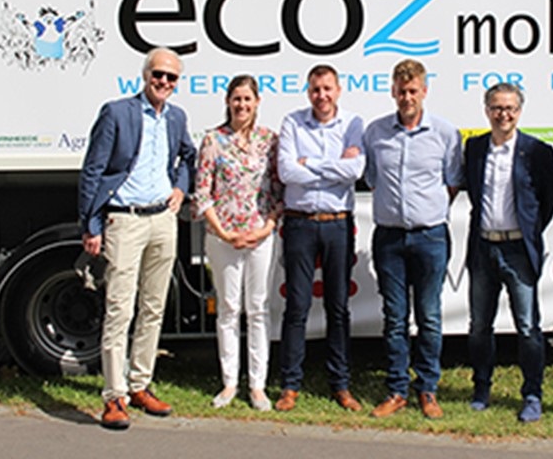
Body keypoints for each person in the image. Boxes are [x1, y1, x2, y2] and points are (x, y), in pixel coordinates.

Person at [79, 47, 196, 431]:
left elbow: (188, 157)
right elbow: (93, 170)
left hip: (162, 220)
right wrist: (91, 225)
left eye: (171, 77)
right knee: (119, 309)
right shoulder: (117, 113)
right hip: (124, 220)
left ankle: (140, 384)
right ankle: (114, 397)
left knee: (154, 307)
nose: (163, 81)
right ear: (145, 75)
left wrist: (180, 189)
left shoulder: (176, 117)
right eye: (158, 74)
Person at [363, 59, 463, 420]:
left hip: (430, 237)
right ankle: (396, 390)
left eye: (413, 91)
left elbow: (453, 181)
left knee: (429, 316)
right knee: (394, 317)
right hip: (389, 238)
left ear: (424, 91)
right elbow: (372, 178)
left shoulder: (445, 133)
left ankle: (428, 389)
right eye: (401, 91)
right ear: (393, 91)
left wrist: (426, 209)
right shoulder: (375, 133)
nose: (407, 97)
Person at [462, 83, 553, 423]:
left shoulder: (537, 151)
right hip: (483, 247)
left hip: (519, 249)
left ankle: (532, 394)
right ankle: (481, 389)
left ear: (519, 111)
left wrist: (529, 232)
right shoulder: (474, 148)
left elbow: (548, 201)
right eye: (497, 108)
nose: (503, 114)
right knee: (479, 326)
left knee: (528, 327)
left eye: (510, 108)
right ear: (487, 110)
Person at [274, 65, 366, 413]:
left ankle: (341, 384)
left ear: (338, 90)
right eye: (315, 89)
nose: (322, 95)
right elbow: (287, 171)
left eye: (327, 88)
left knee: (338, 308)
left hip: (337, 224)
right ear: (308, 92)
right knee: (296, 306)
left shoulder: (353, 123)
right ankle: (290, 385)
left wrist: (309, 162)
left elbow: (355, 171)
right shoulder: (293, 122)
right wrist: (333, 167)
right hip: (299, 224)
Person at [193, 75, 283, 412]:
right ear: (228, 101)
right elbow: (202, 193)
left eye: (247, 99)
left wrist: (266, 228)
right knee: (229, 309)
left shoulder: (269, 141)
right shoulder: (213, 140)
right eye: (237, 99)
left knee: (258, 309)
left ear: (257, 102)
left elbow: (279, 192)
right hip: (223, 238)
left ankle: (258, 385)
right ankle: (229, 381)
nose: (242, 105)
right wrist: (224, 232)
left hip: (260, 237)